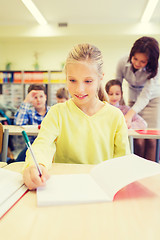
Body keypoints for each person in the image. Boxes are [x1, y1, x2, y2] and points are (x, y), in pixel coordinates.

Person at [23, 43, 130, 190]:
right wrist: (34, 167)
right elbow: (43, 145)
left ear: (100, 79)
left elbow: (123, 162)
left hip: (102, 188)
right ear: (66, 78)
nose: (79, 89)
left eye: (88, 81)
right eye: (72, 80)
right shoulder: (57, 113)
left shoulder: (115, 116)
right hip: (64, 188)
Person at [116, 36, 160, 161]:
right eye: (135, 59)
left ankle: (151, 174)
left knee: (151, 140)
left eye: (142, 62)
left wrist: (129, 115)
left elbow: (145, 96)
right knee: (136, 139)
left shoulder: (155, 69)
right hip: (133, 99)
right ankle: (137, 169)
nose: (137, 63)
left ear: (150, 62)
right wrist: (121, 107)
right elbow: (117, 86)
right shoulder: (122, 62)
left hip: (153, 101)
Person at [14, 84, 50, 161]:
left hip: (50, 146)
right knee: (19, 160)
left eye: (41, 96)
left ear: (45, 97)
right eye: (35, 97)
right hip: (31, 147)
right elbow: (18, 123)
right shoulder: (28, 111)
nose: (38, 100)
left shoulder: (52, 111)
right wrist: (26, 101)